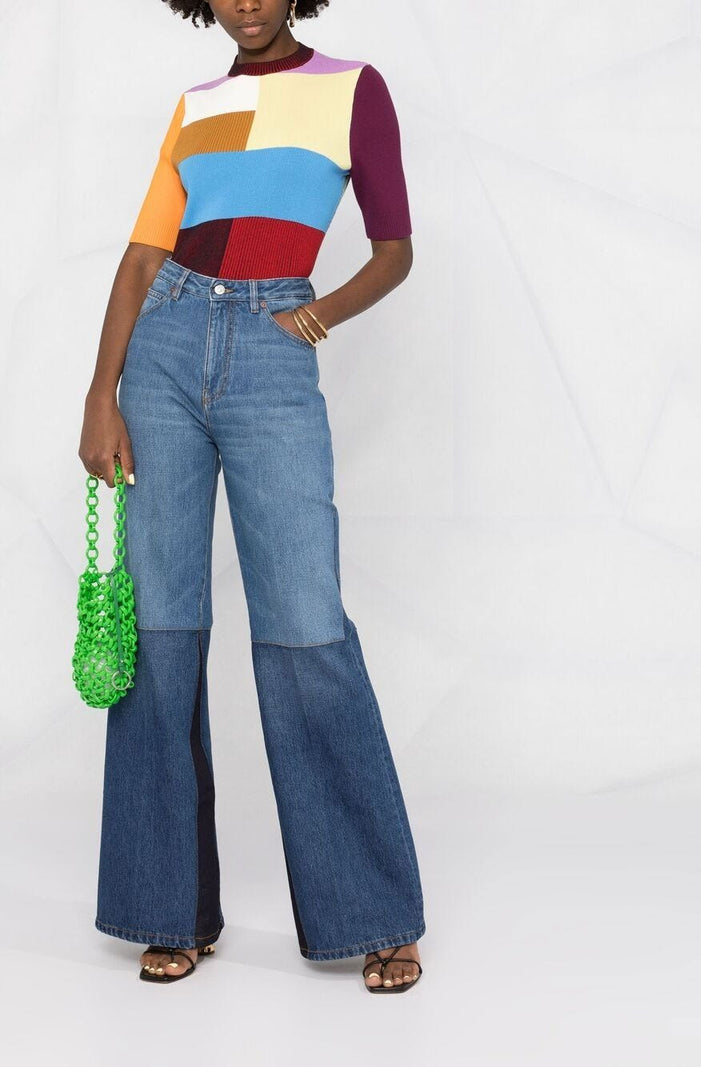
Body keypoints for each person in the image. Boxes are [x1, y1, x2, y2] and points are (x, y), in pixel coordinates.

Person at [78, 0, 425, 993]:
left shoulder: (352, 89)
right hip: (163, 348)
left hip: (274, 347)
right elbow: (143, 257)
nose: (246, 3)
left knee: (306, 623)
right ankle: (166, 909)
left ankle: (372, 914)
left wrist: (311, 317)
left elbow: (395, 250)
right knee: (160, 626)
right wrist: (101, 394)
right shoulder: (197, 104)